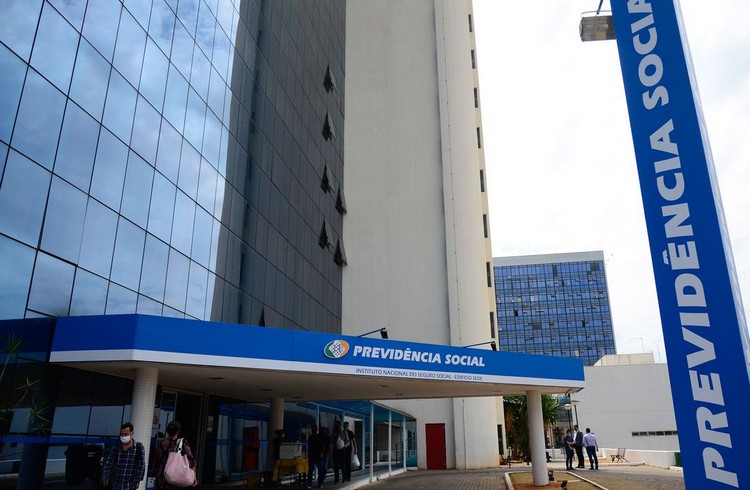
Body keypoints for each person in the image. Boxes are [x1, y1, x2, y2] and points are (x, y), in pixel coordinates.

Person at [102, 422, 145, 490]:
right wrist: (106, 476)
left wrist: (137, 480)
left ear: (131, 433)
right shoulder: (117, 446)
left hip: (130, 484)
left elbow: (141, 465)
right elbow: (109, 462)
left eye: (125, 434)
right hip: (117, 483)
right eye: (121, 434)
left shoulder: (138, 447)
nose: (123, 436)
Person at [154, 420, 197, 488]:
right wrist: (193, 475)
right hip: (175, 476)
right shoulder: (182, 443)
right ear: (178, 431)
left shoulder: (161, 443)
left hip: (161, 477)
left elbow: (156, 460)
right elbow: (191, 459)